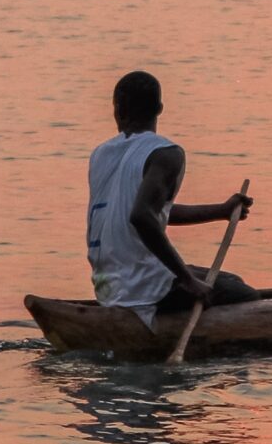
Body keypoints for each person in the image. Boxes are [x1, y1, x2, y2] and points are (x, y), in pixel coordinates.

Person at [85, 70, 259, 328]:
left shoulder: (100, 154)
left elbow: (152, 212)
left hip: (108, 287)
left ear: (118, 111)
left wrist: (221, 211)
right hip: (143, 289)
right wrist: (187, 280)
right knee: (247, 296)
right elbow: (142, 217)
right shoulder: (166, 154)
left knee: (230, 280)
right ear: (159, 108)